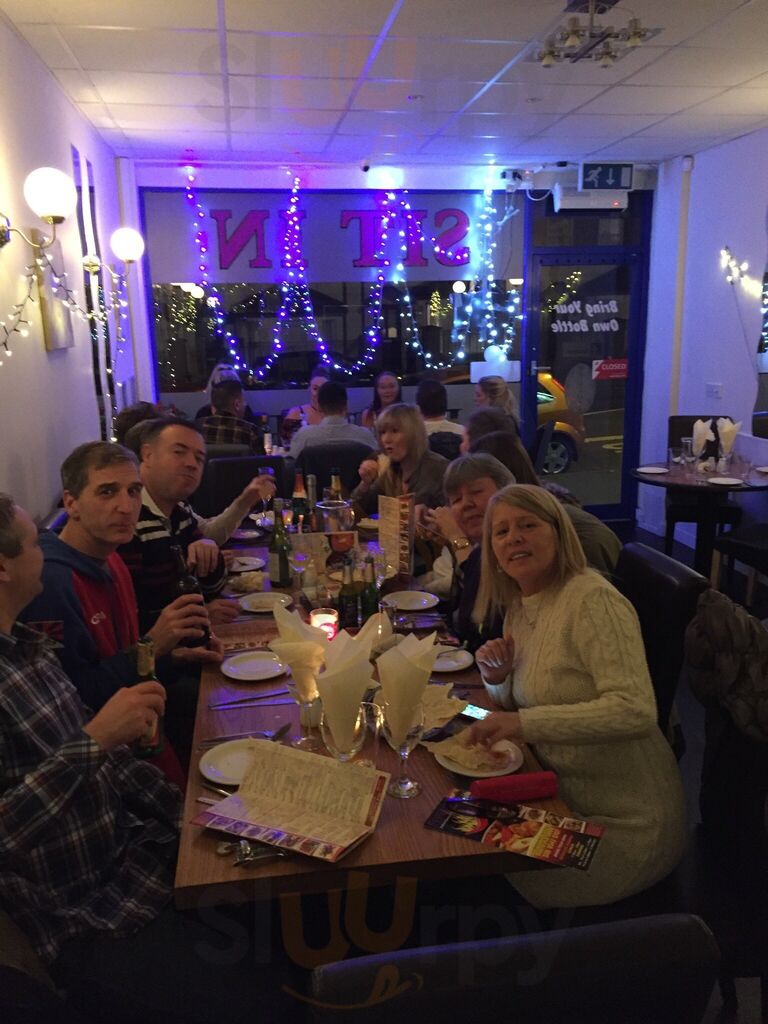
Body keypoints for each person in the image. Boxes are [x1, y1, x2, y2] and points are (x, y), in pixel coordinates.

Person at [0, 494, 300, 1024]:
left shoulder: (27, 649)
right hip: (86, 914)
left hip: (141, 854)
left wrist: (202, 814)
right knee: (269, 1004)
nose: (45, 547)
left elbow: (113, 766)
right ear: (4, 568)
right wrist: (95, 740)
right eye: (33, 543)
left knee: (295, 906)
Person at [468, 485, 686, 908]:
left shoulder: (592, 600)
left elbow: (635, 710)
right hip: (562, 800)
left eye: (528, 525)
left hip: (626, 827)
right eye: (501, 531)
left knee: (470, 859)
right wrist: (497, 677)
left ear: (558, 531)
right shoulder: (521, 603)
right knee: (455, 820)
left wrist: (523, 724)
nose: (514, 538)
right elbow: (520, 703)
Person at [20, 442, 220, 715]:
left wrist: (175, 658)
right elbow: (75, 703)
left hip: (144, 716)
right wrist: (152, 645)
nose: (126, 507)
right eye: (107, 492)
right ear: (71, 503)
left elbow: (120, 659)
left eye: (134, 491)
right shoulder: (51, 584)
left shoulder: (113, 559)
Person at [422, 453, 622, 650]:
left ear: (506, 491)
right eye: (456, 499)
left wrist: (457, 540)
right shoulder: (485, 558)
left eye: (476, 491)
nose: (466, 504)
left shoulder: (587, 597)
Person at [117, 417, 233, 634]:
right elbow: (124, 620)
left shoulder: (180, 510)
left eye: (199, 458)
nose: (191, 464)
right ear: (147, 454)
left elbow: (211, 589)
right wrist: (197, 616)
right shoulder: (126, 520)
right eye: (179, 452)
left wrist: (210, 552)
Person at [351, 403, 449, 516]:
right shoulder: (392, 469)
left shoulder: (439, 469)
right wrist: (365, 483)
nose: (386, 439)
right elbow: (356, 511)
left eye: (394, 431)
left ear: (413, 434)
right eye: (383, 432)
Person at [289, 380, 376, 458]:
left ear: (319, 406)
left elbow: (293, 461)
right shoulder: (364, 436)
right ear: (346, 406)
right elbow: (378, 460)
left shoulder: (304, 436)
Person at [199, 379, 264, 454]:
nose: (245, 404)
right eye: (244, 401)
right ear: (237, 405)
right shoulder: (250, 431)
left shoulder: (198, 427)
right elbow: (261, 460)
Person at [281, 365, 330, 442]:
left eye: (324, 389)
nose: (320, 393)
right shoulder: (295, 414)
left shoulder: (336, 415)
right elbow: (285, 443)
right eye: (315, 389)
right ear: (309, 389)